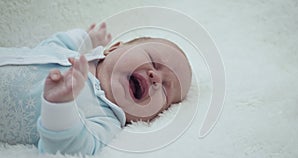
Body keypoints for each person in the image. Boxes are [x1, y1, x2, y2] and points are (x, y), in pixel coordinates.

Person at [0, 22, 192, 155]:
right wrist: (86, 38)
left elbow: (71, 149)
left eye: (166, 90)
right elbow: (52, 45)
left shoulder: (106, 120)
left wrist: (60, 106)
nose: (156, 77)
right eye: (152, 59)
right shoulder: (74, 55)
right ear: (113, 48)